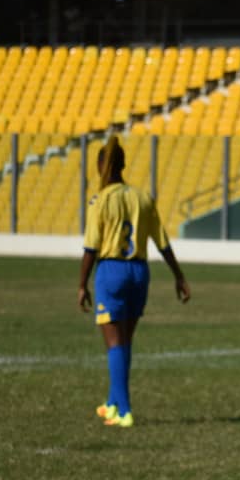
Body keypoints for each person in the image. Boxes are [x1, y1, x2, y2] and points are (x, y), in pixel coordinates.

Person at [77, 135, 190, 428]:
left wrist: (81, 284)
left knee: (114, 342)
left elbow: (91, 247)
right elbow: (162, 242)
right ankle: (113, 403)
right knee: (124, 340)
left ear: (101, 166)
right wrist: (179, 277)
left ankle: (124, 409)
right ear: (123, 165)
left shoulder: (100, 200)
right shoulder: (142, 197)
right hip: (139, 272)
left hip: (111, 270)